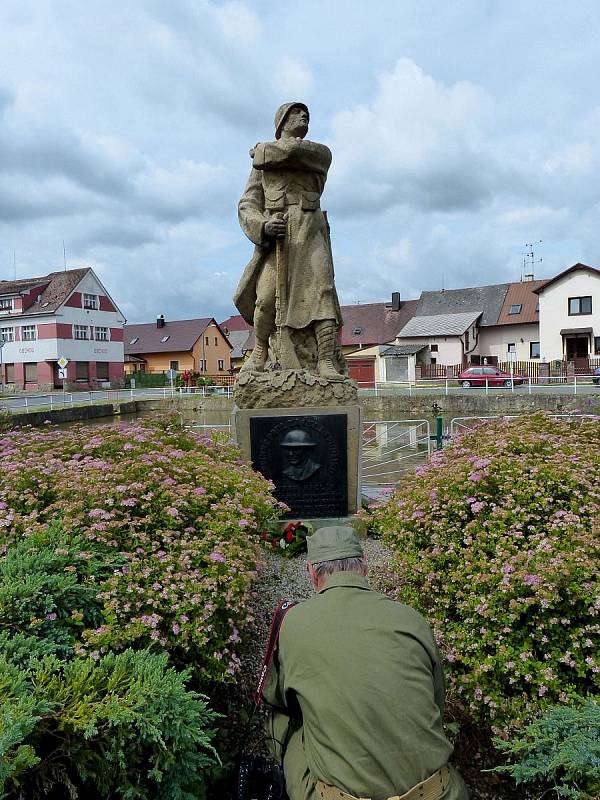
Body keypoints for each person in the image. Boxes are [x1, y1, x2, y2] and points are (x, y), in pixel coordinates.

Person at [262, 526, 469, 800]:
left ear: (312, 571)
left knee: (279, 722)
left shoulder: (293, 622)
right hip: (440, 792)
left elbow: (276, 697)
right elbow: (436, 700)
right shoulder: (410, 618)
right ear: (365, 566)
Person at [234, 102, 344, 380]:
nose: (304, 115)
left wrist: (262, 151)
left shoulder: (317, 155)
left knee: (323, 292)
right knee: (266, 298)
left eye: (306, 112)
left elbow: (296, 151)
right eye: (296, 112)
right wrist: (263, 225)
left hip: (310, 232)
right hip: (278, 237)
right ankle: (260, 351)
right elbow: (248, 203)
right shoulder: (261, 169)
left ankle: (326, 360)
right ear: (281, 121)